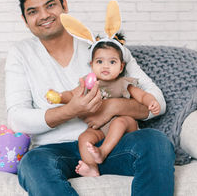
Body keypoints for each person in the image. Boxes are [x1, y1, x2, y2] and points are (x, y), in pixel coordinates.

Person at [5, 0, 175, 196]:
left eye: (51, 5)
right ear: (24, 19)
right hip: (54, 150)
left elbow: (158, 103)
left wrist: (113, 107)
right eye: (33, 11)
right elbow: (17, 119)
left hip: (111, 144)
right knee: (31, 164)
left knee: (156, 141)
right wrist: (70, 110)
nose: (44, 15)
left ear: (64, 5)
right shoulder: (21, 54)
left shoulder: (104, 49)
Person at [46, 37, 161, 177]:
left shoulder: (123, 83)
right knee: (84, 138)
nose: (105, 66)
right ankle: (91, 167)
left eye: (112, 62)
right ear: (91, 65)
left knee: (121, 121)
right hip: (100, 129)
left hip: (125, 126)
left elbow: (142, 96)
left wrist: (151, 102)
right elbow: (71, 95)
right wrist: (59, 97)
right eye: (99, 61)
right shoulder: (89, 84)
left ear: (121, 67)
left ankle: (103, 152)